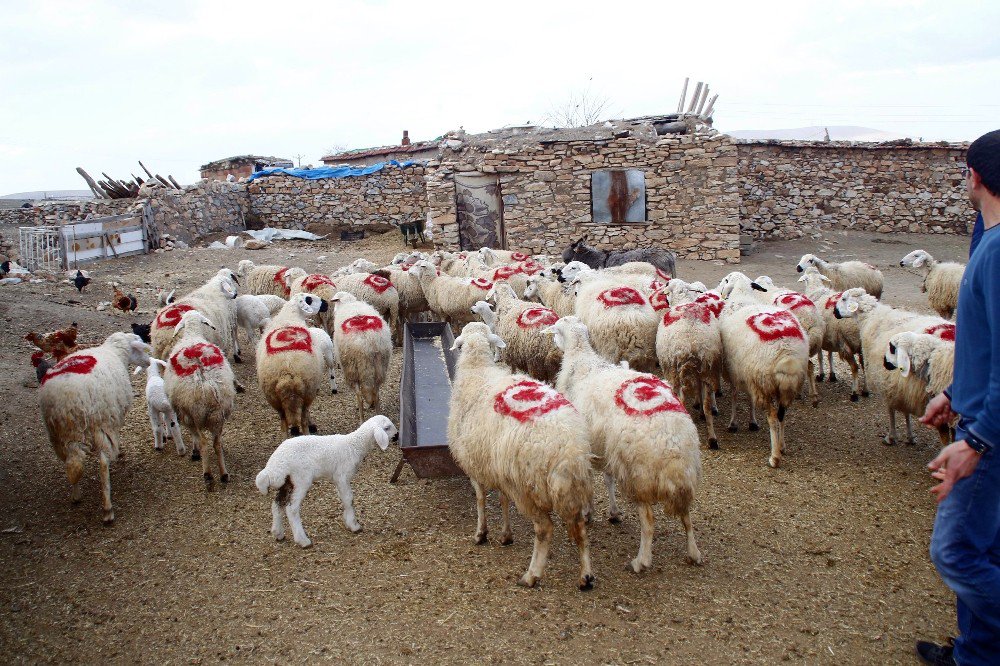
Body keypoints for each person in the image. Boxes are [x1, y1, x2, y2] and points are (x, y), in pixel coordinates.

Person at [917, 129, 1000, 666]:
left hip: (988, 434)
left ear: (974, 176)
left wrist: (977, 439)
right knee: (986, 546)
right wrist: (955, 388)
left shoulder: (996, 253)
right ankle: (978, 654)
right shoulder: (990, 243)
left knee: (954, 551)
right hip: (976, 411)